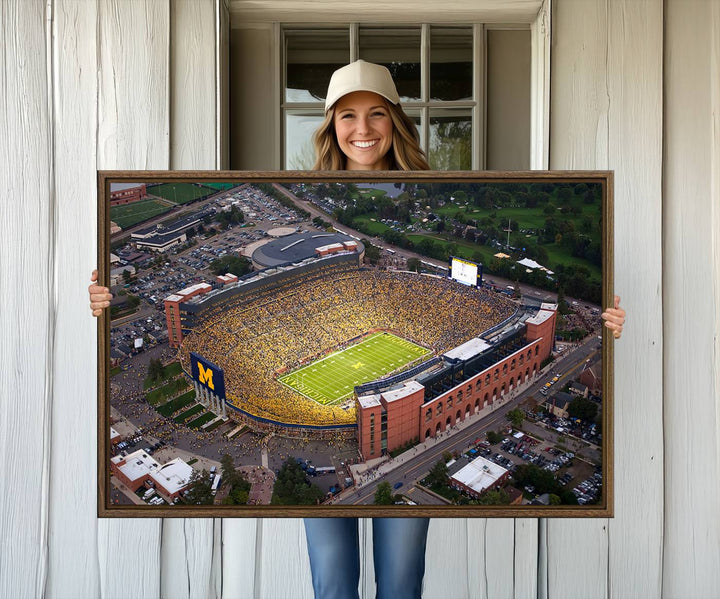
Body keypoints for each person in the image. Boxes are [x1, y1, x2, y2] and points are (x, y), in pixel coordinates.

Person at [88, 59, 626, 599]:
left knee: (400, 579)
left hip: (410, 387)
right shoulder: (308, 186)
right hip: (361, 352)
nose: (362, 129)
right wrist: (104, 297)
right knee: (333, 579)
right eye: (347, 116)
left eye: (376, 115)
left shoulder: (439, 185)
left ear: (396, 121)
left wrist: (606, 318)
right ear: (330, 126)